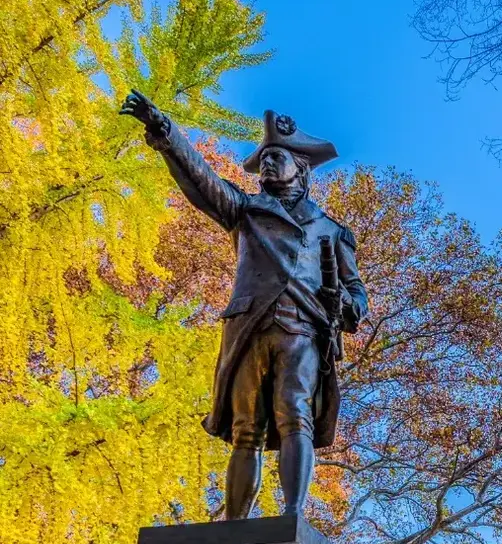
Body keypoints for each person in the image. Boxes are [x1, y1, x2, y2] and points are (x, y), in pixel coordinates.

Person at [120, 92, 368, 518]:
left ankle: (292, 514)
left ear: (301, 168)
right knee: (245, 429)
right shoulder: (245, 210)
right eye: (264, 157)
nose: (267, 162)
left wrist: (341, 301)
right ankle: (234, 524)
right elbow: (203, 181)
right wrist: (164, 132)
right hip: (249, 327)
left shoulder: (332, 231)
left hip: (302, 330)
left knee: (295, 415)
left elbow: (357, 299)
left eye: (277, 156)